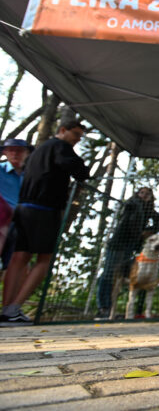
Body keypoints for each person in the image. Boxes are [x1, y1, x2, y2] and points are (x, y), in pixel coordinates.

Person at [1, 121, 90, 326]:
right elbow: (79, 170)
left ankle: (6, 311)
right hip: (44, 209)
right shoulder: (60, 147)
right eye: (75, 134)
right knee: (44, 259)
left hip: (23, 208)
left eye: (80, 136)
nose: (77, 139)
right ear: (62, 130)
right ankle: (14, 308)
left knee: (19, 257)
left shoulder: (38, 151)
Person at [96, 186, 159, 319]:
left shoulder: (148, 209)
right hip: (118, 243)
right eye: (142, 193)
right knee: (109, 273)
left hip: (130, 246)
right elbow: (130, 220)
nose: (144, 195)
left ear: (151, 197)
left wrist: (149, 231)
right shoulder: (132, 204)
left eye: (147, 194)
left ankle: (112, 309)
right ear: (137, 194)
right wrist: (140, 233)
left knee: (121, 276)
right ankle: (104, 307)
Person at [0, 139, 32, 268]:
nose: (15, 154)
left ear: (27, 153)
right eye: (11, 150)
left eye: (19, 151)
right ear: (5, 152)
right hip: (2, 219)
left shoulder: (31, 177)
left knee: (16, 265)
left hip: (20, 225)